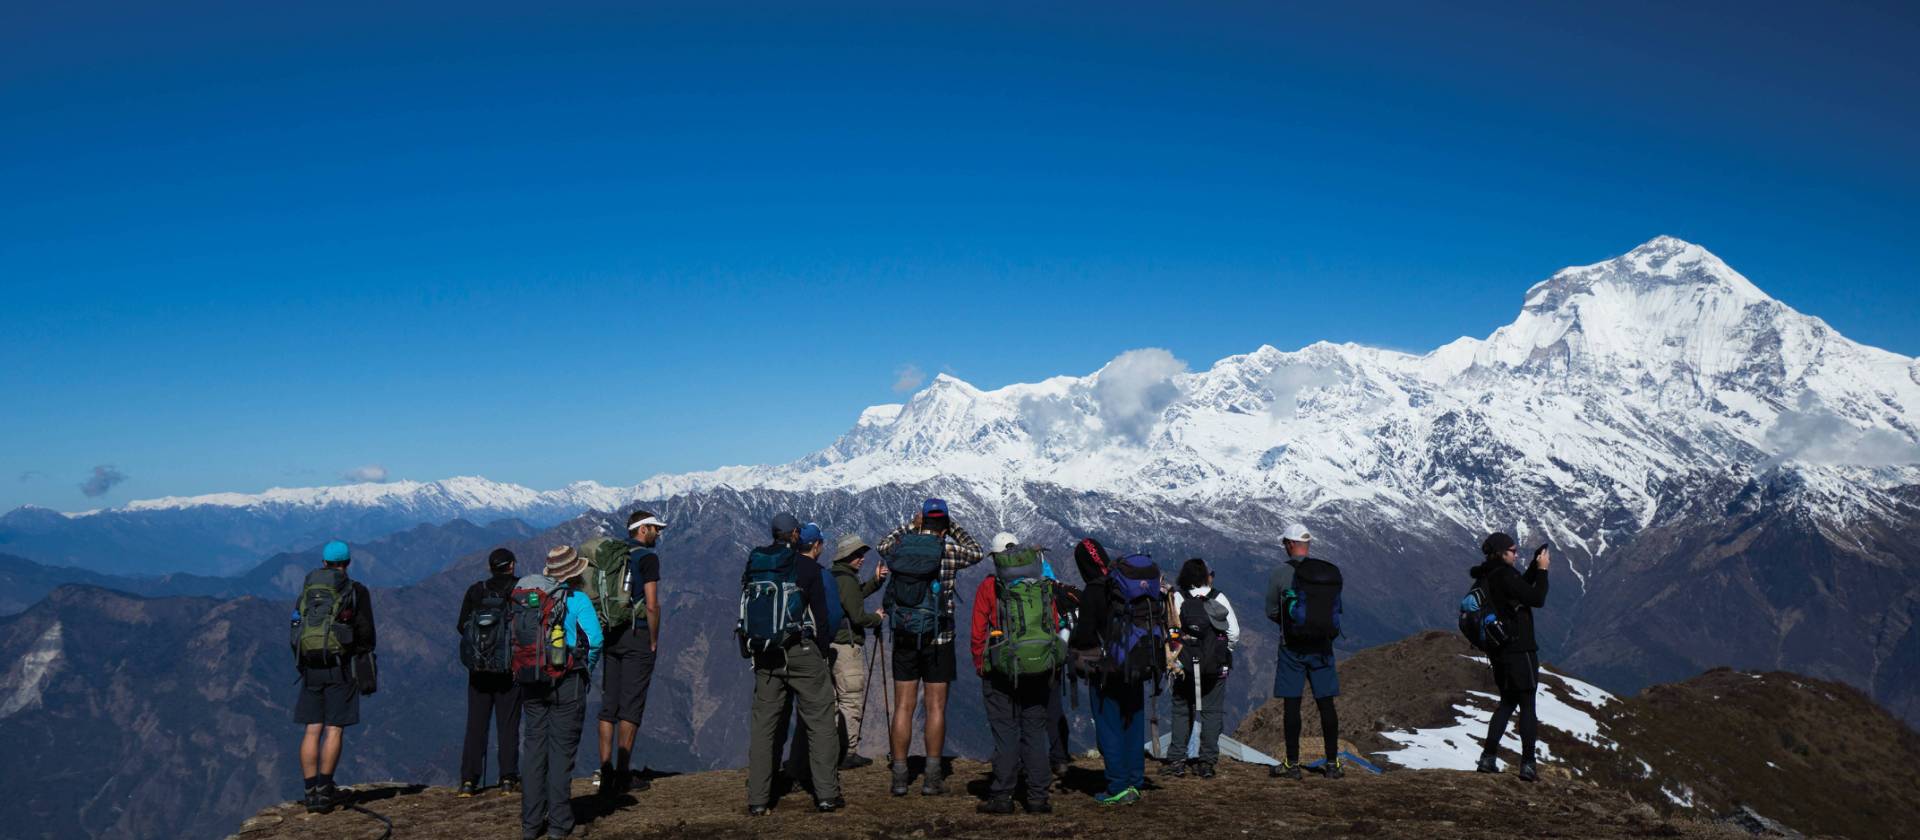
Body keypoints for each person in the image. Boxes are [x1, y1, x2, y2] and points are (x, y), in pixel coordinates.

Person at [875, 497, 985, 796]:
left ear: (922, 520)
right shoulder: (948, 550)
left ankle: (899, 777)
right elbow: (977, 552)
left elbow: (882, 545)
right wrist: (955, 528)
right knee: (936, 706)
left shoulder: (901, 547)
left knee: (903, 706)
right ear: (945, 523)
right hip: (940, 637)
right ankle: (932, 777)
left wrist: (912, 525)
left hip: (905, 635)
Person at [742, 514, 843, 815]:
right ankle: (826, 794)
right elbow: (822, 618)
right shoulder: (808, 567)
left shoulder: (755, 564)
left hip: (766, 653)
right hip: (801, 649)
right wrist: (821, 653)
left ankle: (758, 798)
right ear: (796, 534)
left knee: (765, 726)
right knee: (821, 720)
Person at [968, 533, 1059, 815]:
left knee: (1005, 731)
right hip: (1037, 667)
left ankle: (1003, 796)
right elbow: (1052, 622)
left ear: (995, 558)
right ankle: (1037, 797)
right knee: (1034, 730)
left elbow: (977, 630)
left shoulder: (988, 587)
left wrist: (980, 664)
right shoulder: (1039, 585)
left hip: (1000, 668)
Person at [518, 545, 604, 840]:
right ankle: (559, 824)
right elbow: (595, 641)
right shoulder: (577, 599)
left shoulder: (528, 599)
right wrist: (586, 670)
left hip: (531, 680)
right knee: (560, 753)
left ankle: (530, 823)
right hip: (568, 681)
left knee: (533, 750)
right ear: (575, 572)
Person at [291, 539, 376, 814]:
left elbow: (296, 627)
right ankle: (326, 791)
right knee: (334, 728)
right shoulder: (355, 590)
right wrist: (361, 656)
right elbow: (366, 633)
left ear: (324, 562)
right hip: (341, 665)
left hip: (311, 666)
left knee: (312, 727)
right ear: (348, 563)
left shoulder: (308, 590)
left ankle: (309, 790)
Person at [1067, 538, 1154, 806]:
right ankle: (1135, 781)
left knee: (1110, 726)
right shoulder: (1127, 584)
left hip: (1107, 670)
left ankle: (1116, 785)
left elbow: (1084, 636)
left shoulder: (1093, 590)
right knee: (1133, 722)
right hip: (1137, 664)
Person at [1264, 524, 1346, 780]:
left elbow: (1271, 611)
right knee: (1326, 704)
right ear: (1307, 545)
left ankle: (1292, 763)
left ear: (1289, 544)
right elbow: (1337, 610)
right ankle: (1332, 764)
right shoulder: (1326, 574)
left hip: (1292, 648)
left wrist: (1292, 625)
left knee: (1292, 704)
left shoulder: (1280, 573)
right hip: (1322, 647)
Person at [594, 510, 667, 795]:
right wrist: (653, 638)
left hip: (611, 633)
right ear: (642, 529)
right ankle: (623, 775)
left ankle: (605, 770)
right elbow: (651, 604)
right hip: (636, 634)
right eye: (655, 529)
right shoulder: (648, 558)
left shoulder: (616, 555)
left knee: (608, 703)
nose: (658, 533)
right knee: (631, 704)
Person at [1472, 532, 1551, 782]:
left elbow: (1518, 590)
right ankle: (1528, 764)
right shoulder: (1506, 575)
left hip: (1499, 651)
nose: (1516, 554)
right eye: (1513, 551)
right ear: (1501, 552)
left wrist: (1530, 568)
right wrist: (1542, 571)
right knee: (1527, 704)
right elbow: (1536, 598)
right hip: (1520, 648)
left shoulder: (1487, 575)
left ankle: (1487, 758)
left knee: (1507, 702)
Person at [1163, 557, 1239, 779]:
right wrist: (1222, 652)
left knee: (1181, 709)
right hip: (1215, 667)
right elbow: (1234, 633)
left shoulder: (1178, 597)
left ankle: (1177, 759)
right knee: (1212, 712)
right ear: (1207, 576)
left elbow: (1172, 630)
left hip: (1184, 665)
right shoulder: (1219, 597)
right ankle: (1206, 763)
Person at [457, 547, 523, 796]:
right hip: (509, 669)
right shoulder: (520, 590)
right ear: (512, 566)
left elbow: (461, 625)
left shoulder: (476, 591)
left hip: (479, 670)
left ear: (491, 567)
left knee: (476, 724)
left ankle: (468, 781)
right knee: (508, 724)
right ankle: (508, 778)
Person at [828, 532, 887, 768]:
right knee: (850, 699)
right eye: (857, 554)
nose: (861, 558)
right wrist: (877, 618)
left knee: (833, 701)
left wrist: (874, 582)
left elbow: (852, 598)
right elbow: (858, 615)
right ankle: (849, 751)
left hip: (830, 645)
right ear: (847, 556)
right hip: (847, 646)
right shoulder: (847, 580)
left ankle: (832, 749)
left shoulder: (835, 576)